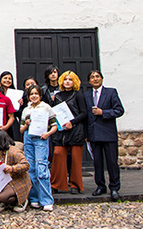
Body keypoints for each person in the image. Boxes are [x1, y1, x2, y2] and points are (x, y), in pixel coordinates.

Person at [84, 70, 125, 201]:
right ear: (89, 81)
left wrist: (103, 112)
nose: (95, 79)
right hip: (94, 133)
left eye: (97, 77)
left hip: (108, 132)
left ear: (101, 78)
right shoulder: (86, 95)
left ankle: (114, 187)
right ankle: (100, 185)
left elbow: (119, 110)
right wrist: (86, 134)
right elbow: (85, 116)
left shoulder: (111, 92)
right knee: (98, 162)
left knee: (112, 162)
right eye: (92, 77)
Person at [20, 85, 57, 212]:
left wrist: (47, 134)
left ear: (40, 95)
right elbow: (21, 129)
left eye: (36, 93)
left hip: (41, 138)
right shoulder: (26, 110)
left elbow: (54, 125)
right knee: (31, 169)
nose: (34, 96)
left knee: (41, 167)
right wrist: (26, 124)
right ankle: (34, 198)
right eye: (31, 94)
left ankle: (46, 200)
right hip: (28, 138)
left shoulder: (46, 107)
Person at [50, 71, 88, 194]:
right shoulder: (57, 96)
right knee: (58, 154)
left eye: (70, 79)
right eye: (65, 79)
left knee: (76, 159)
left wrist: (73, 122)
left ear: (74, 82)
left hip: (75, 130)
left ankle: (75, 185)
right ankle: (56, 184)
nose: (67, 81)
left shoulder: (78, 95)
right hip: (61, 132)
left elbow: (84, 113)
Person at [0, 130, 31, 213]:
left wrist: (12, 168)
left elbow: (26, 165)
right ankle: (6, 202)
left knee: (1, 196)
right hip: (4, 181)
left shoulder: (14, 152)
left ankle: (21, 201)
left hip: (17, 181)